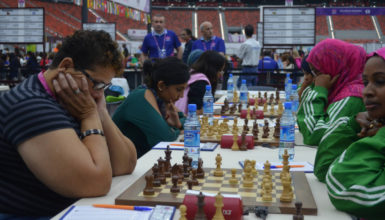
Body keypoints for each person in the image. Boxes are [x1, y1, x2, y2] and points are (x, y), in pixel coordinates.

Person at [0, 30, 137, 219]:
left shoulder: (75, 101)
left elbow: (126, 163)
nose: (99, 94)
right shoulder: (29, 104)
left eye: (104, 87)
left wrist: (101, 112)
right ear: (66, 66)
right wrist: (89, 115)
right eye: (96, 84)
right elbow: (96, 183)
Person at [325, 47, 385, 220]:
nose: (366, 91)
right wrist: (353, 123)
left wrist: (317, 92)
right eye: (365, 82)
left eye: (380, 81)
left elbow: (341, 186)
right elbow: (322, 168)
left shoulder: (350, 98)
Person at [297, 39, 367, 182]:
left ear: (335, 66)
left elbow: (313, 134)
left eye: (317, 72)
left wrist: (319, 90)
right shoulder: (342, 88)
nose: (316, 79)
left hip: (335, 174)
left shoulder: (352, 96)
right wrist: (309, 88)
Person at [113, 57, 190, 158]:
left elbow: (189, 121)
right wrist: (176, 130)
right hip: (119, 162)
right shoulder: (141, 98)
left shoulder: (160, 99)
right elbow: (164, 139)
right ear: (161, 85)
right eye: (179, 90)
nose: (181, 96)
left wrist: (178, 125)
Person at [175, 50, 226, 115]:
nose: (221, 75)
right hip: (187, 121)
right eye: (220, 71)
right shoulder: (200, 83)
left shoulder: (192, 73)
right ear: (212, 69)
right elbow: (195, 111)